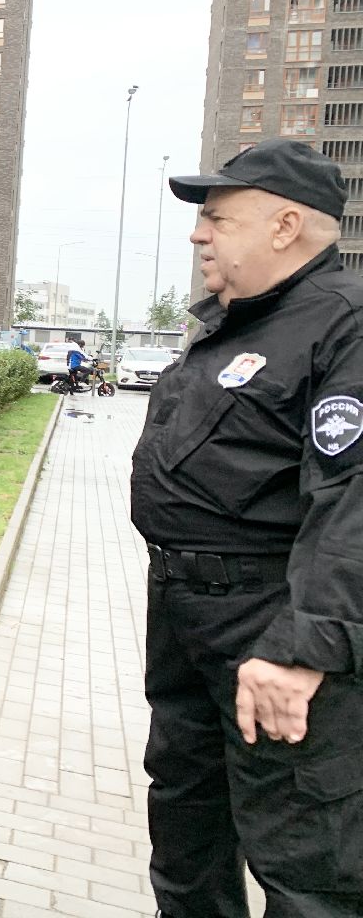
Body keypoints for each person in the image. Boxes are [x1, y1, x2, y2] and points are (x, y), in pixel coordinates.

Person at [131, 138, 363, 917]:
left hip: (271, 629)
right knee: (188, 845)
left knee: (305, 864)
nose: (200, 234)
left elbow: (353, 499)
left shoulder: (343, 326)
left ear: (286, 225)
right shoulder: (241, 325)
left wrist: (301, 648)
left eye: (220, 218)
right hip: (189, 620)